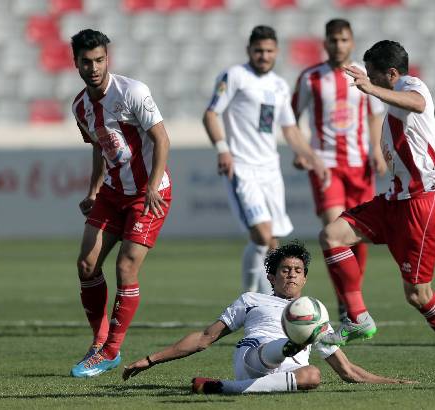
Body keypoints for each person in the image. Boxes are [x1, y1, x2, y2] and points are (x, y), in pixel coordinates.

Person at [317, 40, 435, 391]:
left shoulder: (412, 88)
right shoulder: (401, 116)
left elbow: (418, 103)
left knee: (418, 295)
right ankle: (358, 318)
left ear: (391, 74)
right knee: (332, 236)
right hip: (393, 201)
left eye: (375, 74)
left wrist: (370, 88)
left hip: (420, 207)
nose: (368, 81)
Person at [122, 241, 411, 394]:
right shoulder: (252, 300)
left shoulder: (314, 310)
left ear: (305, 278)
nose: (292, 275)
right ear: (271, 277)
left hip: (291, 371)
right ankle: (289, 345)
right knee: (273, 351)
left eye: (298, 271)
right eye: (285, 270)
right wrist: (150, 360)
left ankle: (223, 388)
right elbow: (204, 338)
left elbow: (348, 372)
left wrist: (392, 383)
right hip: (254, 358)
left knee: (313, 375)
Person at [68, 29, 173, 377]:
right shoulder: (80, 106)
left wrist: (154, 185)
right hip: (113, 192)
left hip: (148, 193)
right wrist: (94, 189)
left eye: (99, 60)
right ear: (77, 64)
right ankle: (99, 343)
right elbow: (100, 147)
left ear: (107, 58)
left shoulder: (133, 92)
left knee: (126, 267)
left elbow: (161, 139)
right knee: (86, 264)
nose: (94, 67)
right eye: (87, 61)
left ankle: (111, 351)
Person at [203, 25, 329, 295]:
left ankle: (265, 302)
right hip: (242, 167)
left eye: (269, 50)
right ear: (249, 50)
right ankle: (252, 296)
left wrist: (312, 158)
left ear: (277, 52)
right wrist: (223, 149)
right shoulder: (235, 76)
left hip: (270, 170)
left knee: (272, 243)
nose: (263, 55)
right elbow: (211, 114)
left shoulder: (279, 86)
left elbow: (290, 129)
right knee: (262, 235)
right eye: (258, 50)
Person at [292, 19, 386, 320]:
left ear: (352, 42)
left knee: (356, 237)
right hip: (326, 167)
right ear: (325, 42)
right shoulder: (311, 78)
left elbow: (374, 116)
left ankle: (351, 299)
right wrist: (302, 152)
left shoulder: (362, 75)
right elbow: (291, 118)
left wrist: (376, 149)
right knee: (334, 231)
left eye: (343, 40)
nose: (338, 45)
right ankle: (347, 305)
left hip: (360, 166)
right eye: (333, 40)